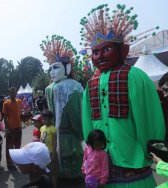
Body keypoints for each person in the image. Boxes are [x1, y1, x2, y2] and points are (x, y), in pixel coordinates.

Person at [80, 4, 165, 187]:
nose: (100, 55)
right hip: (100, 166)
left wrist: (150, 147)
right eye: (95, 52)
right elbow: (87, 120)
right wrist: (91, 152)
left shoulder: (134, 76)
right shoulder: (91, 83)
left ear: (123, 51)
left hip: (132, 167)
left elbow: (148, 118)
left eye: (106, 49)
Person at [41, 34, 84, 178]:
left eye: (56, 67)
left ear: (68, 68)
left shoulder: (68, 87)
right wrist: (81, 133)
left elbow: (75, 113)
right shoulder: (73, 86)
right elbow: (77, 117)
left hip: (58, 134)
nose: (52, 72)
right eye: (50, 68)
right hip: (68, 134)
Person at [2, 87, 23, 170]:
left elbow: (19, 114)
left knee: (18, 145)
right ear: (9, 94)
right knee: (9, 147)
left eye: (14, 92)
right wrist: (7, 128)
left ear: (16, 93)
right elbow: (4, 117)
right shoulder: (6, 103)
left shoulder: (19, 101)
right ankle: (10, 164)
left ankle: (17, 160)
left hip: (18, 127)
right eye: (11, 93)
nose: (13, 94)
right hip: (10, 128)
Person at [40, 110, 57, 187]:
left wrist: (53, 153)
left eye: (45, 119)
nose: (43, 120)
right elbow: (41, 140)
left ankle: (54, 185)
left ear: (50, 119)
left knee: (53, 171)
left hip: (50, 152)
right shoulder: (42, 128)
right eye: (42, 119)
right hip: (43, 153)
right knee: (45, 170)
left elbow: (54, 142)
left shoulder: (52, 128)